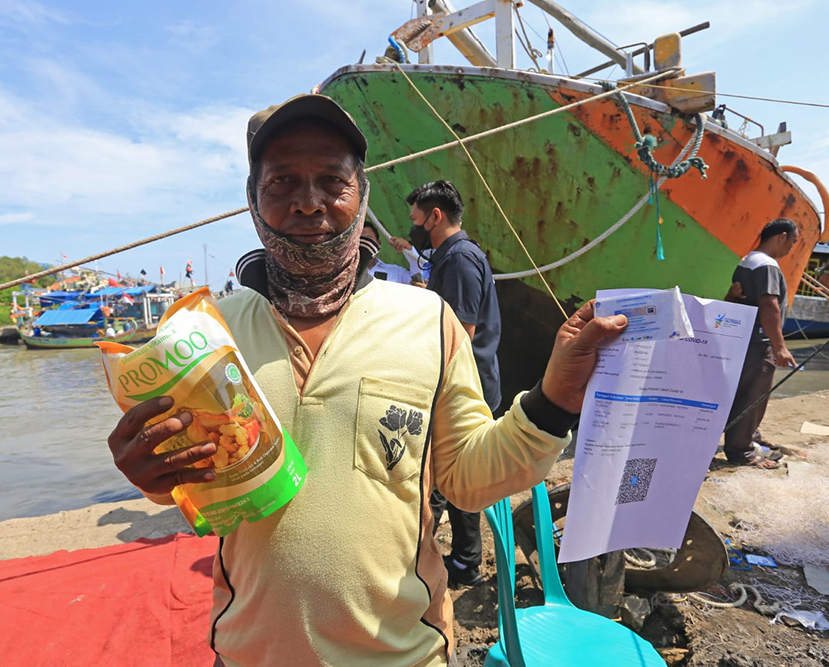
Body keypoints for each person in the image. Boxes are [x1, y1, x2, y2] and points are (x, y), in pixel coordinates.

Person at [106, 94, 627, 666]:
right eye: (282, 182)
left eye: (333, 180)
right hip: (248, 654)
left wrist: (557, 397)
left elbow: (469, 479)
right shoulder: (208, 330)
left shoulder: (428, 320)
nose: (308, 203)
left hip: (404, 655)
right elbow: (188, 474)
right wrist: (151, 474)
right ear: (252, 200)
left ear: (364, 197)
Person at [406, 180, 502, 588]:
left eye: (416, 219)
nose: (414, 227)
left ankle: (466, 561)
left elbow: (460, 331)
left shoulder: (460, 258)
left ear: (435, 216)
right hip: (466, 379)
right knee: (450, 475)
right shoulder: (453, 256)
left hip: (467, 384)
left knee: (459, 472)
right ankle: (460, 557)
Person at [723, 218, 799, 469]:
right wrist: (779, 346)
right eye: (793, 241)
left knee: (745, 392)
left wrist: (731, 294)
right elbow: (769, 305)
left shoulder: (746, 261)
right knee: (752, 394)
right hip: (758, 342)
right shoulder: (767, 266)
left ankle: (751, 434)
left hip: (744, 339)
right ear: (781, 236)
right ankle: (742, 451)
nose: (792, 248)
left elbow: (735, 300)